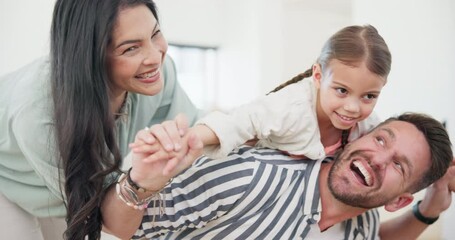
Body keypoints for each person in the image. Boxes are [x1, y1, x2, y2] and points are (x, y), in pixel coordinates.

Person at [0, 0, 202, 239]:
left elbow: (193, 138)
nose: (155, 57)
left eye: (155, 34)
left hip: (65, 185)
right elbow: (106, 221)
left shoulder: (160, 73)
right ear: (90, 57)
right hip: (7, 178)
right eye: (130, 48)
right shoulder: (39, 114)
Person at [101, 112, 453, 239]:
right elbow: (119, 228)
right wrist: (141, 182)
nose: (378, 158)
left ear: (399, 201)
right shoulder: (252, 175)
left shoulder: (361, 227)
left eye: (398, 166)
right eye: (380, 139)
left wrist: (431, 209)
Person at [165, 24, 392, 162]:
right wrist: (186, 140)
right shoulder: (291, 106)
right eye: (342, 90)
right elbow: (237, 122)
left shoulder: (369, 125)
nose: (353, 107)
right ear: (318, 76)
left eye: (369, 96)